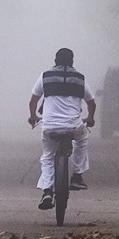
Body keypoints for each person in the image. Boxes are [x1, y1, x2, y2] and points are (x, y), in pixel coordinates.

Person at [28, 47, 96, 210]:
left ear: (55, 61)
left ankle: (47, 191)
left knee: (48, 156)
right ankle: (77, 176)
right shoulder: (80, 78)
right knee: (81, 139)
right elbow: (91, 103)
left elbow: (33, 101)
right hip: (73, 125)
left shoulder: (46, 76)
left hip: (50, 125)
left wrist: (32, 117)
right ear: (72, 61)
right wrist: (90, 118)